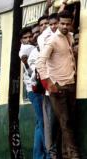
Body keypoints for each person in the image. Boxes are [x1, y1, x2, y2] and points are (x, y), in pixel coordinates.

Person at [36, 10, 80, 158]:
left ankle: (65, 154)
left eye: (67, 23)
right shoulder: (52, 40)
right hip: (58, 87)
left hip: (71, 85)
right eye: (62, 23)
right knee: (65, 122)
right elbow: (40, 62)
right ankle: (74, 155)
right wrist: (48, 82)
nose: (64, 26)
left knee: (68, 122)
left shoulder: (70, 37)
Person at [19, 27, 47, 159]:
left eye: (30, 36)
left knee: (39, 123)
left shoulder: (31, 47)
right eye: (25, 38)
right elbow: (32, 73)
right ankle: (44, 154)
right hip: (35, 90)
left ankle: (38, 155)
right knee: (42, 122)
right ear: (21, 40)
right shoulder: (27, 50)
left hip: (34, 90)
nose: (29, 39)